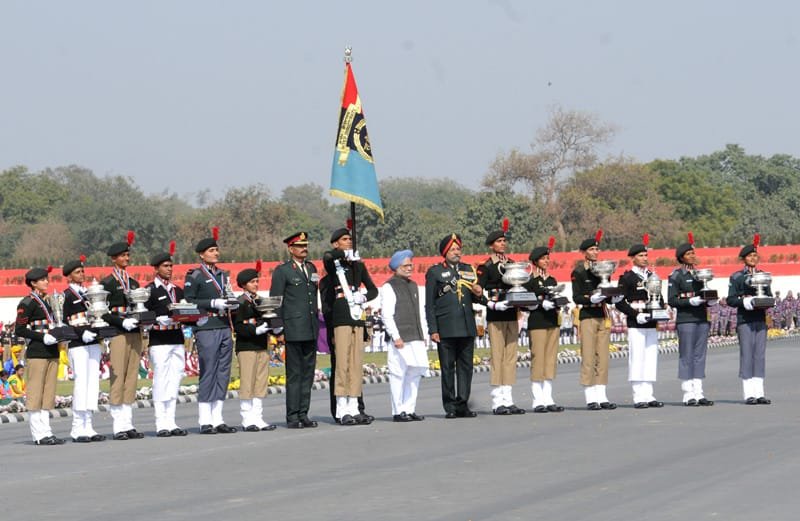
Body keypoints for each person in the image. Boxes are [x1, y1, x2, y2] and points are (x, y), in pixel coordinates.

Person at [184, 227, 238, 434]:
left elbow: (228, 294)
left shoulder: (223, 275)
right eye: (212, 250)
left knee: (223, 371)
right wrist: (212, 302)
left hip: (224, 324)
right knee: (208, 371)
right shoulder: (196, 275)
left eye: (216, 249)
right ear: (202, 254)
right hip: (206, 326)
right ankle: (205, 419)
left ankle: (218, 417)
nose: (216, 253)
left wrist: (232, 303)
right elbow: (189, 300)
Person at [425, 233, 486, 418]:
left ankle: (462, 404)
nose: (456, 252)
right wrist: (433, 329)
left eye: (458, 249)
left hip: (466, 326)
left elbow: (480, 298)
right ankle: (450, 406)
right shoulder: (435, 272)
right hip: (446, 327)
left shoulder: (469, 270)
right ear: (445, 252)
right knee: (448, 368)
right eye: (452, 249)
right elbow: (430, 303)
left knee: (466, 367)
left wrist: (479, 292)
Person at [322, 227, 378, 425]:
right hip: (341, 316)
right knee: (343, 364)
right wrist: (344, 254)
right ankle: (341, 408)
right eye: (345, 240)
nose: (349, 242)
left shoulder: (357, 266)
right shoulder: (333, 263)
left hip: (357, 317)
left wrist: (363, 296)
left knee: (355, 363)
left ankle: (354, 407)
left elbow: (373, 290)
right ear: (336, 243)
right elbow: (327, 256)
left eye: (350, 240)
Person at [270, 232, 320, 429]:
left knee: (308, 373)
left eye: (305, 245)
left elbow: (313, 294)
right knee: (294, 374)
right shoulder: (283, 271)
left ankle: (303, 413)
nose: (304, 249)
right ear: (291, 249)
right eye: (299, 246)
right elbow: (276, 300)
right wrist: (277, 327)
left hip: (310, 327)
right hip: (293, 328)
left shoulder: (311, 268)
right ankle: (292, 416)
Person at [476, 221, 525, 415]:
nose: (503, 244)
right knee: (498, 356)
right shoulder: (486, 266)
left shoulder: (512, 264)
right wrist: (491, 303)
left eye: (504, 241)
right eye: (499, 241)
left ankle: (509, 398)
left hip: (512, 313)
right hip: (496, 314)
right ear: (491, 245)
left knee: (511, 356)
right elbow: (477, 291)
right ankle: (497, 401)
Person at [100, 232, 145, 440]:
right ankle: (118, 425)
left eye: (128, 255)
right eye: (123, 256)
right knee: (118, 377)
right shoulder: (107, 283)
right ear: (114, 258)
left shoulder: (134, 283)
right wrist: (121, 321)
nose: (127, 258)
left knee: (131, 376)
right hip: (118, 332)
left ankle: (128, 423)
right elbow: (103, 312)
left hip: (134, 332)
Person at [570, 230, 622, 410]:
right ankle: (590, 396)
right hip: (588, 315)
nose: (595, 252)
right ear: (584, 252)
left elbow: (606, 290)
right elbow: (576, 297)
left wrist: (612, 298)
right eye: (591, 249)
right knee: (589, 356)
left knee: (603, 357)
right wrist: (590, 299)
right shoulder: (578, 272)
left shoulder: (603, 269)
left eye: (596, 249)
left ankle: (602, 395)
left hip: (602, 314)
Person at [15, 268, 65, 445]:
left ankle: (47, 431)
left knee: (48, 394)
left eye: (46, 279)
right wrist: (43, 336)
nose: (46, 282)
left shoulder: (50, 302)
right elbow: (19, 329)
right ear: (33, 283)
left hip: (52, 351)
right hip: (37, 352)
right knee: (36, 393)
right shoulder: (27, 303)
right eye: (42, 280)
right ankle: (38, 434)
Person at [615, 236, 664, 409]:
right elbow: (619, 302)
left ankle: (649, 394)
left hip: (651, 320)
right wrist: (635, 315)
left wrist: (660, 313)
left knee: (650, 357)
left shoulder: (652, 276)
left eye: (646, 255)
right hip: (636, 320)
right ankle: (638, 395)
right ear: (633, 258)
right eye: (641, 255)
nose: (645, 258)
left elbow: (659, 298)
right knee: (637, 357)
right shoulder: (627, 278)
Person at [145, 244, 189, 437]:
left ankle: (171, 420)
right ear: (156, 268)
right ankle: (160, 422)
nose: (169, 269)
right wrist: (156, 319)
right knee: (161, 380)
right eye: (165, 266)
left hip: (177, 338)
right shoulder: (149, 291)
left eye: (171, 266)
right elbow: (143, 317)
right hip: (159, 340)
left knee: (175, 379)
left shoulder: (177, 291)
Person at [62, 256, 106, 442]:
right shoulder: (66, 295)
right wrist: (80, 334)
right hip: (78, 343)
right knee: (81, 383)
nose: (82, 275)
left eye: (82, 271)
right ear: (69, 276)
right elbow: (63, 321)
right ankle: (77, 427)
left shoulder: (88, 293)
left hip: (93, 341)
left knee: (92, 383)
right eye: (77, 272)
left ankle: (88, 425)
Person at [668, 233, 716, 406]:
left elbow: (704, 294)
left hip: (701, 318)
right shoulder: (676, 276)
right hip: (686, 319)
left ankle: (699, 392)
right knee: (687, 356)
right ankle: (688, 393)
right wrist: (690, 301)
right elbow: (672, 300)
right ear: (681, 257)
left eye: (693, 253)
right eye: (689, 254)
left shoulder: (699, 275)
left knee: (699, 356)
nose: (692, 256)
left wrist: (710, 300)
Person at [381, 249, 428, 422]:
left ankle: (409, 408)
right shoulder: (389, 286)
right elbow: (387, 315)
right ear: (396, 267)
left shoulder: (413, 285)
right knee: (398, 374)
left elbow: (420, 312)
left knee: (414, 373)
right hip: (400, 338)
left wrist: (423, 334)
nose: (410, 268)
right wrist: (395, 336)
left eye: (411, 265)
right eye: (406, 265)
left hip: (415, 336)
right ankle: (398, 410)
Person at [726, 234, 774, 405]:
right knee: (747, 355)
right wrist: (745, 301)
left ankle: (759, 392)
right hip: (745, 319)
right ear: (744, 259)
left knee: (759, 355)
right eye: (750, 256)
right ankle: (749, 393)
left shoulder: (763, 276)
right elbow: (730, 299)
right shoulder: (737, 277)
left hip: (760, 319)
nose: (753, 258)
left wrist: (765, 302)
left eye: (755, 255)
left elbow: (768, 296)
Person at [233, 263, 278, 432]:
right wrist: (255, 329)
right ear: (243, 284)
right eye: (252, 282)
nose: (256, 284)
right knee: (247, 381)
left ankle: (258, 417)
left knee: (260, 381)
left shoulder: (260, 301)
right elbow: (238, 326)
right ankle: (247, 418)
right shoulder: (240, 302)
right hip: (246, 346)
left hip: (261, 345)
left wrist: (275, 326)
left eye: (257, 281)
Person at [523, 238, 565, 413]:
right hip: (537, 322)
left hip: (552, 322)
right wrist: (540, 304)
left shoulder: (552, 280)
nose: (546, 261)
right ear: (535, 261)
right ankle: (537, 399)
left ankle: (548, 398)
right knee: (538, 359)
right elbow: (525, 302)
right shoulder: (530, 280)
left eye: (547, 258)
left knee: (549, 361)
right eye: (543, 259)